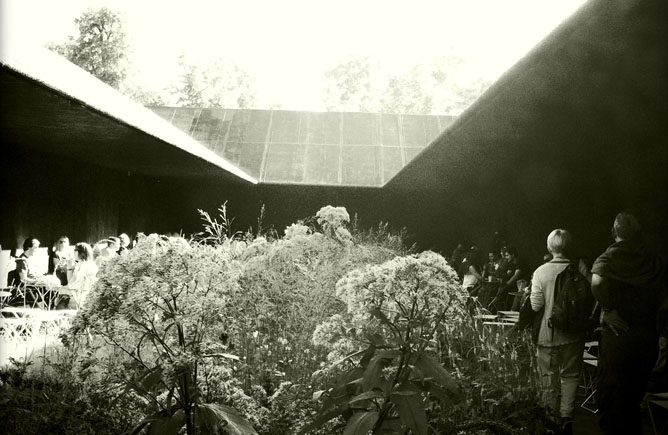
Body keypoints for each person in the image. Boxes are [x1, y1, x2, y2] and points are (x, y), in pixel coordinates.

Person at [590, 212, 667, 435]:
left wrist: (607, 308)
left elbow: (597, 280)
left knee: (613, 403)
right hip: (646, 338)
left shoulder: (612, 255)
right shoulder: (653, 259)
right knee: (633, 402)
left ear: (614, 231)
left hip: (618, 337)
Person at [530, 229, 584, 435]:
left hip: (548, 334)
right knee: (570, 376)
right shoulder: (578, 270)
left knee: (547, 376)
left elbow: (536, 305)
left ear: (549, 247)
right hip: (573, 334)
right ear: (567, 246)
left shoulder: (540, 272)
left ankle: (550, 419)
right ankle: (566, 417)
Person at [60, 242, 98, 309]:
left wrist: (69, 268)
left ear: (78, 252)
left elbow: (72, 284)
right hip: (86, 293)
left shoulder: (83, 265)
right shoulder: (86, 263)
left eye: (75, 250)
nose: (73, 253)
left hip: (82, 296)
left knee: (59, 293)